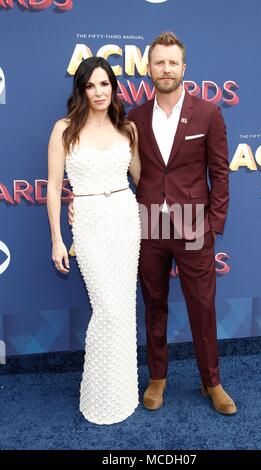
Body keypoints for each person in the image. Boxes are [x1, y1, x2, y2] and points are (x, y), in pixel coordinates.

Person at [69, 32, 237, 415]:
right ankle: (157, 378)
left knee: (202, 306)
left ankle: (212, 382)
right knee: (154, 304)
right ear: (149, 69)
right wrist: (79, 201)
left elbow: (221, 173)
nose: (166, 69)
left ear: (183, 68)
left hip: (195, 224)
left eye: (172, 62)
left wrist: (213, 223)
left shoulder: (209, 113)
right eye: (159, 62)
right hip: (145, 225)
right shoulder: (135, 118)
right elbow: (115, 167)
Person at [47, 56, 141, 425]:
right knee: (108, 309)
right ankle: (98, 396)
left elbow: (143, 178)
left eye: (105, 84)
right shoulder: (64, 129)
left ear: (114, 88)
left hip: (124, 219)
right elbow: (54, 187)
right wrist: (57, 239)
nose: (99, 92)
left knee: (123, 310)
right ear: (81, 90)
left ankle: (121, 393)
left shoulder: (127, 129)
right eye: (91, 85)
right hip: (87, 222)